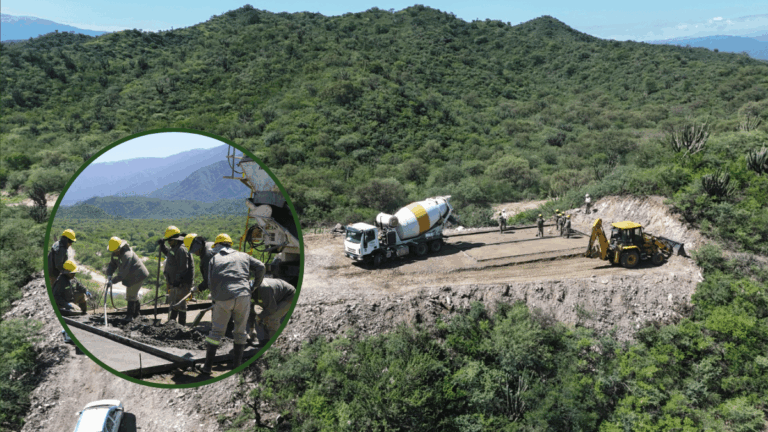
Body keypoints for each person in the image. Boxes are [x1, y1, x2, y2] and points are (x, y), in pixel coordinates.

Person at [198, 233, 265, 374]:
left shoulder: (214, 259)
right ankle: (236, 368)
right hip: (243, 296)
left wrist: (216, 298)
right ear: (230, 245)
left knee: (216, 333)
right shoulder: (244, 255)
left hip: (223, 298)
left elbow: (210, 282)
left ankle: (207, 368)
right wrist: (254, 286)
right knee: (240, 332)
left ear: (218, 247)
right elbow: (261, 266)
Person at [106, 237, 150, 322]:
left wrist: (113, 281)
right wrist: (109, 274)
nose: (115, 252)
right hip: (130, 276)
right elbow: (112, 264)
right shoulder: (115, 253)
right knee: (133, 295)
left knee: (130, 295)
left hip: (138, 275)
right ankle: (136, 315)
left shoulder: (127, 255)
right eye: (114, 250)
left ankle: (129, 317)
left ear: (120, 247)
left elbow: (122, 273)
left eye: (116, 250)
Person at [158, 225, 194, 324]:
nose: (168, 242)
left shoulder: (181, 249)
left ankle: (181, 326)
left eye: (169, 240)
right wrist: (162, 246)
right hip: (175, 282)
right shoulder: (174, 248)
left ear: (175, 239)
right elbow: (170, 255)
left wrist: (178, 281)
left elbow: (183, 268)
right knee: (174, 303)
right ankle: (172, 323)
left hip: (182, 283)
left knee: (180, 304)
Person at [249, 278, 296, 346]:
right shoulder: (248, 291)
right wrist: (251, 329)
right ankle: (266, 341)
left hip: (288, 295)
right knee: (263, 315)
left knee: (272, 318)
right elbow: (251, 310)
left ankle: (276, 345)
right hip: (273, 296)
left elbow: (271, 309)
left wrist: (259, 316)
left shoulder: (263, 289)